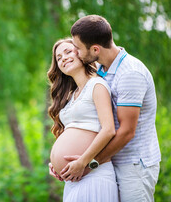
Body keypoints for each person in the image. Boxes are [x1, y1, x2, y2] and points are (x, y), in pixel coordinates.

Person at [62, 15, 161, 202]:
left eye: (78, 48)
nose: (75, 52)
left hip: (133, 166)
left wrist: (89, 163)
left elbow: (126, 132)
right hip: (110, 163)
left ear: (95, 49)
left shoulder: (130, 73)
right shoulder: (102, 70)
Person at [47, 38, 118, 202]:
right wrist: (58, 165)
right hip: (73, 179)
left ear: (80, 53)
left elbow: (109, 130)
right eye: (58, 58)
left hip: (93, 174)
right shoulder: (71, 96)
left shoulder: (97, 85)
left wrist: (83, 162)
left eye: (68, 52)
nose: (63, 58)